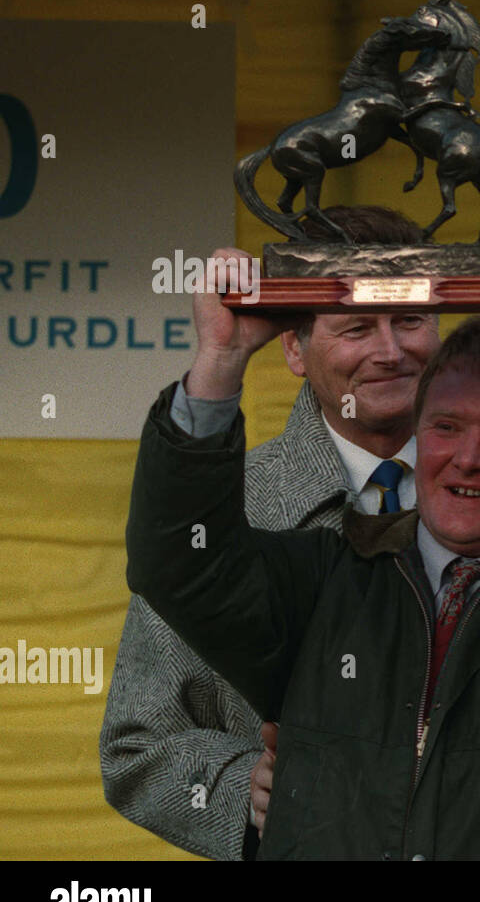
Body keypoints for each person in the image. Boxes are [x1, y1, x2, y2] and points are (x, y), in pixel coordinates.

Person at [101, 206, 439, 859]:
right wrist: (241, 792)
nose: (391, 350)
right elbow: (136, 741)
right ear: (293, 347)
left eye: (410, 319)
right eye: (357, 326)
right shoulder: (228, 511)